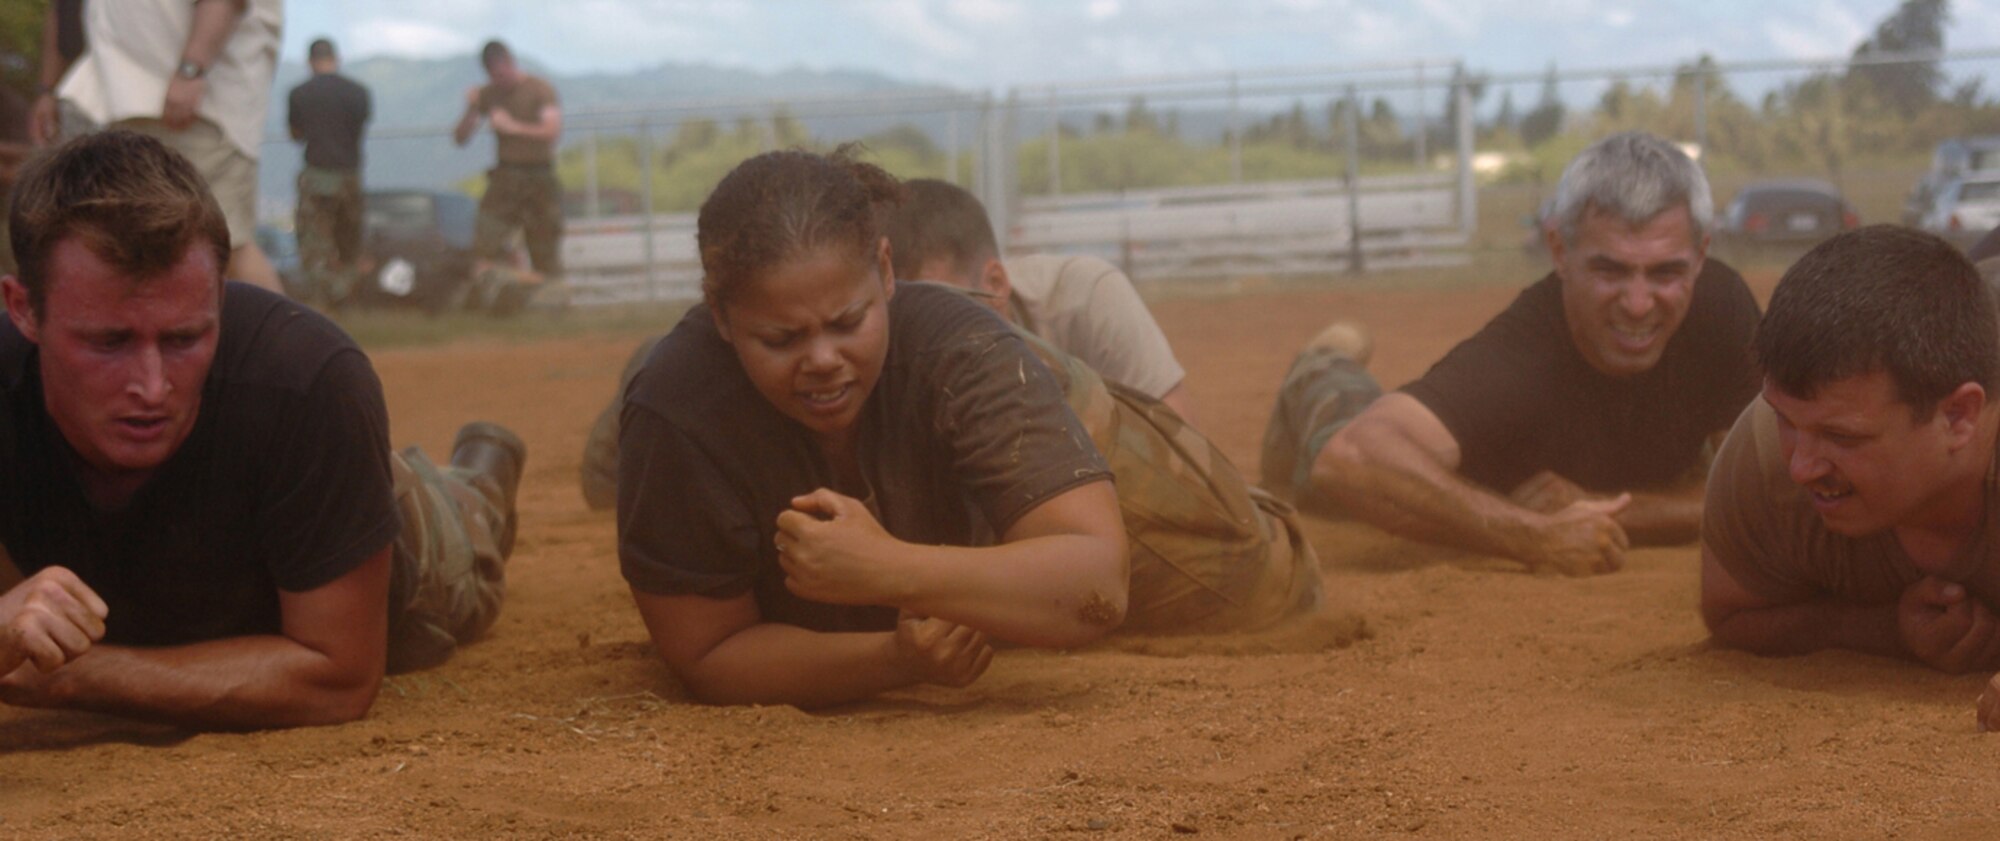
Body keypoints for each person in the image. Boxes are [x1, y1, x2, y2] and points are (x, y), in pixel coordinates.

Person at [0, 131, 526, 730]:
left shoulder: (306, 379)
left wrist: (68, 674)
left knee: (456, 532)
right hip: (175, 594)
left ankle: (480, 478)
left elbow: (338, 678)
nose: (151, 386)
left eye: (184, 339)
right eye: (108, 341)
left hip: (393, 559)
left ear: (220, 299)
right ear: (23, 309)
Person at [619, 149, 1129, 708]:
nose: (822, 359)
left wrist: (885, 568)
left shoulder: (963, 348)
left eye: (847, 323)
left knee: (1223, 571)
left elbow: (1098, 581)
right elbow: (709, 654)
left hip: (1076, 515)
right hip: (976, 596)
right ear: (720, 314)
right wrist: (895, 659)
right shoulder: (677, 408)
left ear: (886, 271)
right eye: (780, 339)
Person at [1279, 131, 1761, 576]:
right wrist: (1533, 535)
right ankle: (1324, 358)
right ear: (1559, 252)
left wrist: (1611, 508)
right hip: (1429, 492)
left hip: (1618, 478)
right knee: (1339, 413)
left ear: (1700, 255)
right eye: (1609, 271)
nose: (1638, 305)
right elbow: (1350, 458)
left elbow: (1772, 492)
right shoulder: (1520, 356)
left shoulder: (1721, 309)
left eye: (1665, 273)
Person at [1702, 228, 2000, 692]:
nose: (1801, 467)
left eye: (1840, 437)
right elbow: (1734, 613)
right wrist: (1884, 630)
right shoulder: (1763, 455)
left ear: (1958, 417)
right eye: (1787, 419)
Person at [883, 179, 1197, 421]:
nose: (922, 334)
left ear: (995, 284)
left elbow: (1178, 443)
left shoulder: (1083, 298)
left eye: (940, 310)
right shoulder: (874, 346)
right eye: (904, 314)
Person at [37, 0, 287, 294]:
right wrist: (48, 89)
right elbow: (64, 7)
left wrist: (192, 69)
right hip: (112, 101)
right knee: (117, 248)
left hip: (199, 106)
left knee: (223, 246)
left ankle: (286, 340)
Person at [452, 40, 563, 294]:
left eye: (504, 72)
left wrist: (513, 127)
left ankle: (550, 299)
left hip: (539, 175)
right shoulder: (489, 94)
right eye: (495, 75)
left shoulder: (539, 89)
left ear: (511, 63)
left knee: (544, 242)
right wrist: (471, 108)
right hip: (506, 175)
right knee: (486, 238)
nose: (501, 80)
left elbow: (552, 130)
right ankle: (490, 295)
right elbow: (459, 138)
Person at [286, 37, 371, 306]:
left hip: (316, 177)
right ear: (336, 58)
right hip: (349, 176)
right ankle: (346, 297)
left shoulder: (299, 93)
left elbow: (296, 134)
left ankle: (321, 301)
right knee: (348, 243)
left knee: (315, 245)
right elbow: (358, 130)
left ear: (310, 61)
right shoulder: (359, 92)